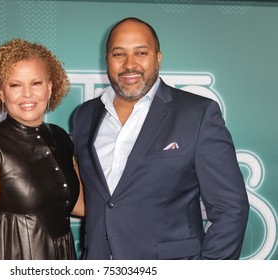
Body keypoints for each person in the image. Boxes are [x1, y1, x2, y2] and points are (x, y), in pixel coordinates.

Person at [72, 17, 249, 259]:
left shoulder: (197, 114)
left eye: (141, 52)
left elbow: (230, 210)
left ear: (158, 58)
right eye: (118, 54)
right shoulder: (84, 116)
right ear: (107, 61)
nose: (129, 64)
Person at [0, 38, 84, 260]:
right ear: (1, 93)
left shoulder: (61, 138)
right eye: (15, 85)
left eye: (36, 83)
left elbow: (79, 206)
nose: (27, 94)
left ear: (49, 88)